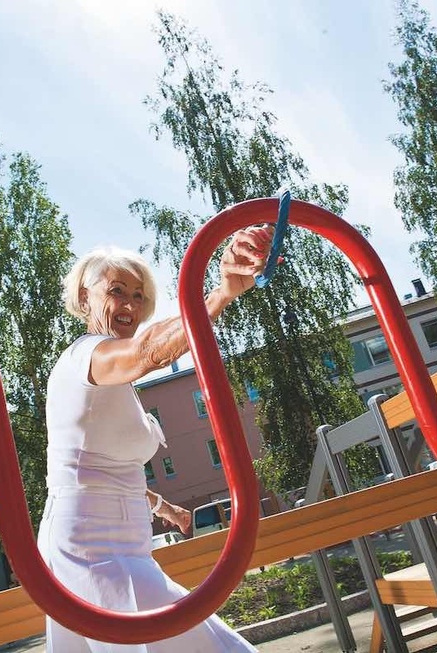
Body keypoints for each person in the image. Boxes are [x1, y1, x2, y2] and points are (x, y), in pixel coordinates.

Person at [38, 225, 273, 652]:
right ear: (86, 297)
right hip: (92, 547)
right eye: (116, 291)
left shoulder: (112, 375)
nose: (130, 304)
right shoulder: (87, 356)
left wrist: (163, 505)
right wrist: (220, 295)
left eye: (139, 295)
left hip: (118, 541)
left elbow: (96, 466)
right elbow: (149, 352)